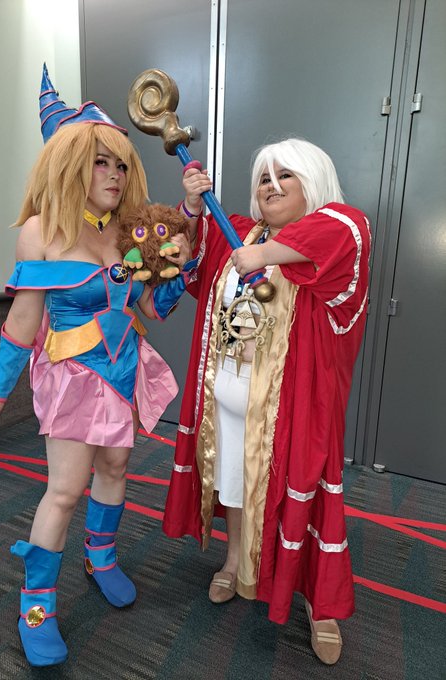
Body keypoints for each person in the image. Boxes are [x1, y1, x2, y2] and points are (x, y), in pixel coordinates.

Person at [0, 66, 193, 668]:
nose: (114, 175)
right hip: (72, 376)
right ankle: (35, 609)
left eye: (120, 165)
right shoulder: (42, 231)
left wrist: (179, 261)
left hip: (123, 367)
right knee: (63, 490)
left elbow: (151, 307)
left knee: (116, 466)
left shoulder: (127, 232)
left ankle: (101, 557)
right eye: (99, 163)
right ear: (69, 168)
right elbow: (23, 321)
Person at [162, 138, 371, 665]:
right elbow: (196, 252)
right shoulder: (240, 233)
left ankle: (320, 606)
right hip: (228, 404)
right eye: (263, 179)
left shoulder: (334, 241)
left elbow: (348, 228)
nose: (271, 187)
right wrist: (192, 205)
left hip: (295, 414)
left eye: (286, 177)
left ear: (313, 182)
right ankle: (235, 561)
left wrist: (264, 255)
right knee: (232, 482)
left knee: (309, 500)